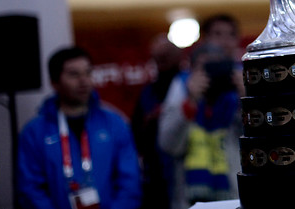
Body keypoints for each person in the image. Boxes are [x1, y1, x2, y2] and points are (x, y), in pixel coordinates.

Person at [17, 46, 141, 209]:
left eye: (88, 73)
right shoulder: (35, 131)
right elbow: (30, 188)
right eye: (74, 74)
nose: (83, 81)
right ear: (55, 82)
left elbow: (130, 182)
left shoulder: (114, 123)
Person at [158, 43, 242, 209]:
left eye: (218, 68)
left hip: (235, 197)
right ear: (191, 72)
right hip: (190, 201)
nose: (212, 75)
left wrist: (247, 97)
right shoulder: (181, 92)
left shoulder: (236, 101)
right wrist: (189, 102)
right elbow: (167, 144)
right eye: (205, 69)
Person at [131, 34, 184, 209]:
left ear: (178, 56)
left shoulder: (188, 85)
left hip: (184, 166)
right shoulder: (148, 92)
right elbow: (136, 133)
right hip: (155, 172)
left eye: (167, 53)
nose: (163, 58)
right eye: (158, 55)